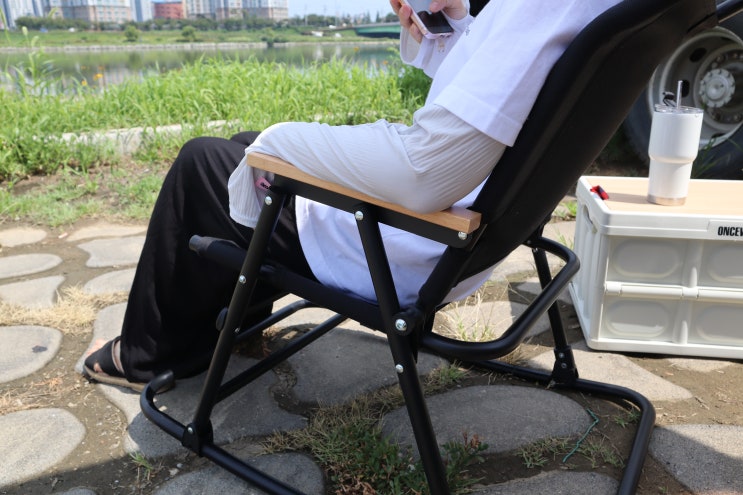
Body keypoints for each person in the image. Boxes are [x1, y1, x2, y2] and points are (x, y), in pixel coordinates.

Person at [83, 0, 622, 391]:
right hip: (473, 228)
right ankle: (237, 325)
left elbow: (426, 173)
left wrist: (282, 140)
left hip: (411, 241)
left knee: (203, 163)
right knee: (244, 150)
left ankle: (146, 358)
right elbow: (510, 108)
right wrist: (456, 24)